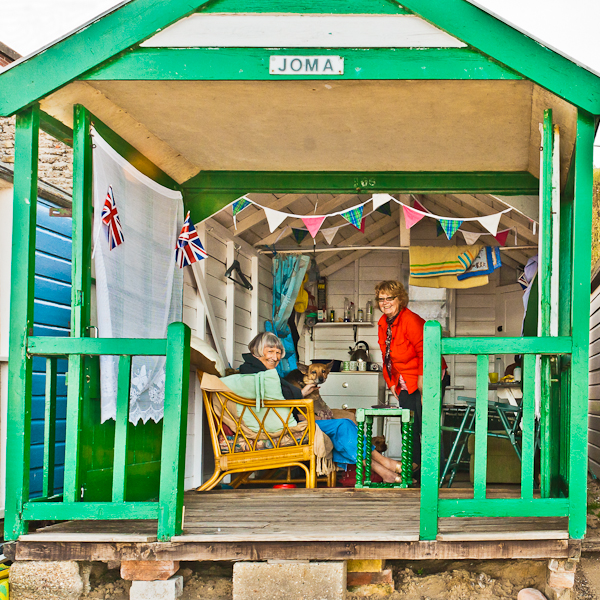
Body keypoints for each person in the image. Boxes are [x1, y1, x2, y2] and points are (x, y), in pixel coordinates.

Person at [240, 331, 404, 483]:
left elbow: (278, 401)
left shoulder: (262, 372)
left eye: (278, 353)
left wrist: (303, 395)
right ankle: (387, 465)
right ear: (257, 352)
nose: (275, 357)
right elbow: (272, 403)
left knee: (344, 426)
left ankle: (384, 471)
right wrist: (303, 399)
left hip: (286, 420)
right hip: (281, 425)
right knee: (344, 425)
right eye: (270, 352)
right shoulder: (254, 374)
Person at [375, 280, 447, 468]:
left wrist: (425, 388)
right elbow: (386, 356)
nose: (385, 302)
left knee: (427, 424)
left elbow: (426, 353)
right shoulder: (383, 323)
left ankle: (434, 470)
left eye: (390, 298)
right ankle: (414, 467)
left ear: (400, 299)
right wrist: (391, 382)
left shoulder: (410, 320)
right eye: (381, 299)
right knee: (408, 426)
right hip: (404, 380)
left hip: (427, 376)